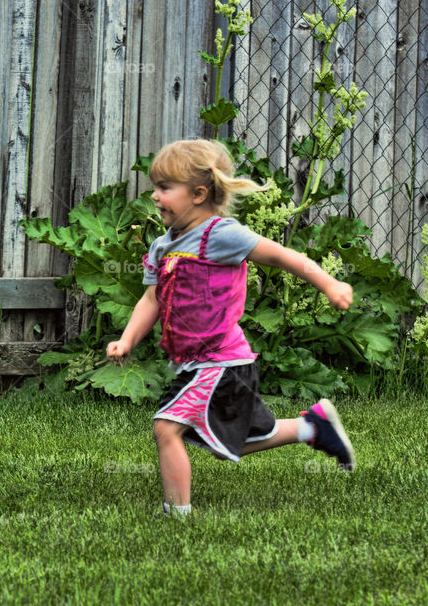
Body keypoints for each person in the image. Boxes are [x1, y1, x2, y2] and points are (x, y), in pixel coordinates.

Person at [105, 138, 356, 518]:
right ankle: (313, 428)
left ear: (199, 193)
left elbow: (283, 256)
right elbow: (152, 300)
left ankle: (176, 515)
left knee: (167, 428)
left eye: (164, 188)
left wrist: (329, 284)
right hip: (194, 362)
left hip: (220, 360)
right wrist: (126, 340)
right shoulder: (161, 247)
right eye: (155, 187)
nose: (155, 197)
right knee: (226, 437)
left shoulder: (220, 235)